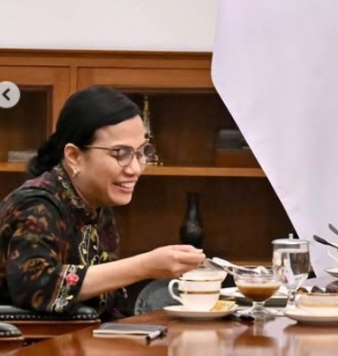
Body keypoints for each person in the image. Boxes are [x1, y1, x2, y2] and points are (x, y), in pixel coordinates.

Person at [0, 86, 205, 320]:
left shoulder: (96, 204)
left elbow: (109, 302)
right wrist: (145, 266)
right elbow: (37, 288)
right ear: (74, 156)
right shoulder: (36, 205)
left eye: (141, 152)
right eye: (120, 153)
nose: (135, 168)